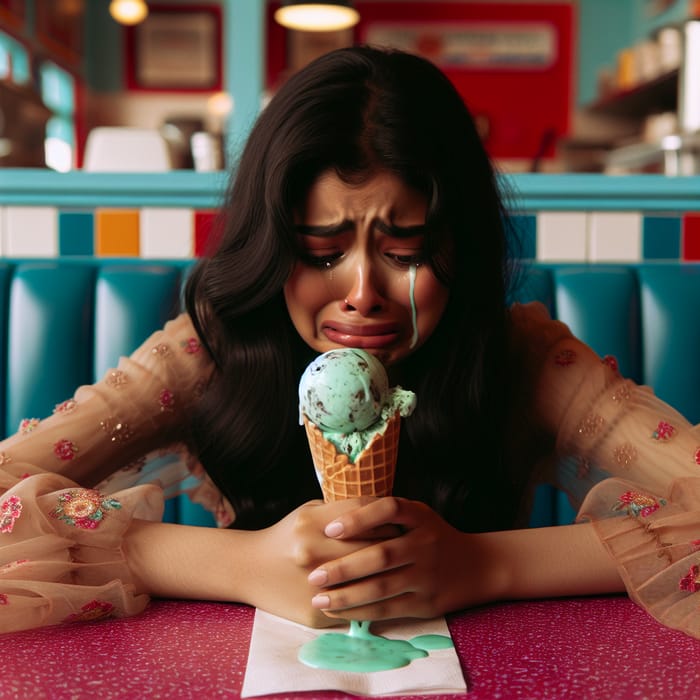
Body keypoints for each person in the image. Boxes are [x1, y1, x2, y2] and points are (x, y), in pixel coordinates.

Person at [1, 44, 699, 637]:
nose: (362, 291)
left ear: (462, 249)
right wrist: (240, 566)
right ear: (270, 250)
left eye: (406, 250)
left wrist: (486, 565)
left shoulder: (520, 354)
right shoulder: (210, 352)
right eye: (321, 251)